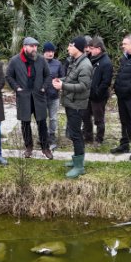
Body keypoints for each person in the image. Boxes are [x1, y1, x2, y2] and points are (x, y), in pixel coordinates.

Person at [6, 37, 53, 159]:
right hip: (24, 97)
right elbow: (9, 76)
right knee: (25, 123)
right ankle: (28, 147)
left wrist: (44, 87)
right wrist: (17, 88)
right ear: (24, 47)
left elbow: (48, 75)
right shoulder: (15, 60)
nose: (34, 48)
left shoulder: (41, 60)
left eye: (36, 46)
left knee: (42, 123)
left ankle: (45, 148)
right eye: (31, 46)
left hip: (39, 96)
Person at [53, 36, 92, 178]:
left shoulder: (85, 65)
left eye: (70, 45)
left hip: (77, 105)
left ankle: (79, 166)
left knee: (76, 134)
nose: (68, 48)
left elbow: (83, 86)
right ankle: (76, 159)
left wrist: (62, 86)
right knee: (74, 132)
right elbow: (71, 78)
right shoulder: (75, 62)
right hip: (71, 103)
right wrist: (61, 80)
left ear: (78, 48)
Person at [82, 37, 113, 145]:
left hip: (98, 97)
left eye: (91, 48)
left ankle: (99, 139)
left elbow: (106, 82)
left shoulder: (106, 62)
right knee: (85, 117)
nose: (89, 50)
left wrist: (97, 93)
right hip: (87, 94)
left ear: (98, 49)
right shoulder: (89, 58)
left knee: (98, 119)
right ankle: (88, 137)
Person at [43, 42, 65, 150]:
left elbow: (63, 77)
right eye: (48, 51)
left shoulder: (58, 64)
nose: (50, 53)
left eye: (52, 51)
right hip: (41, 97)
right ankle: (43, 136)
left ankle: (52, 136)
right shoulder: (38, 63)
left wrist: (59, 82)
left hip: (54, 96)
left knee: (53, 118)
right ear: (44, 52)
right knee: (42, 118)